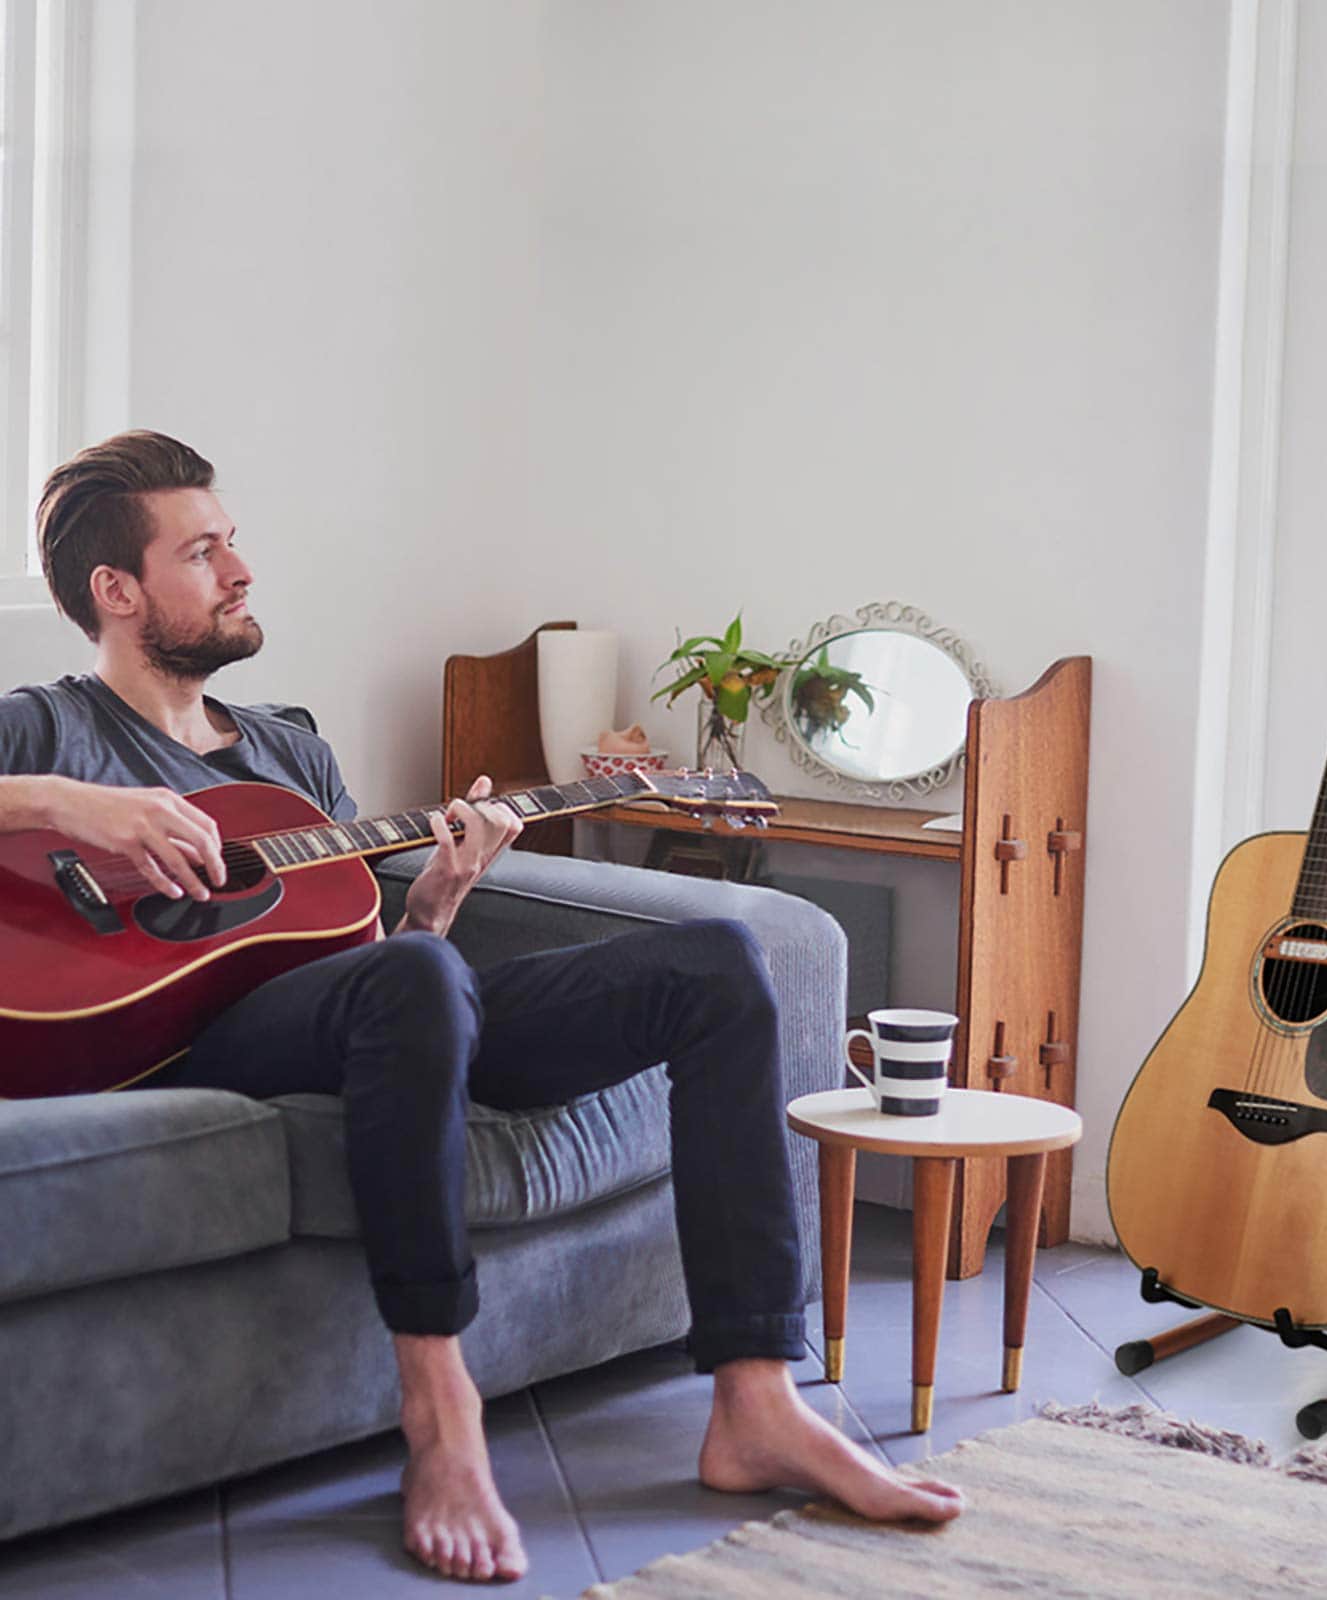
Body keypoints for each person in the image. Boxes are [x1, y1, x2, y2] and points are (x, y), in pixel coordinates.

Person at [0, 432, 963, 1584]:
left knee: (713, 959)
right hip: (180, 1043)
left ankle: (755, 1400)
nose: (242, 570)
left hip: (352, 1018)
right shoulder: (47, 730)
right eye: (202, 552)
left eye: (234, 542)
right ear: (116, 591)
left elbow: (386, 967)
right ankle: (440, 1413)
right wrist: (71, 805)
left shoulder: (286, 751)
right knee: (414, 982)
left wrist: (445, 893)